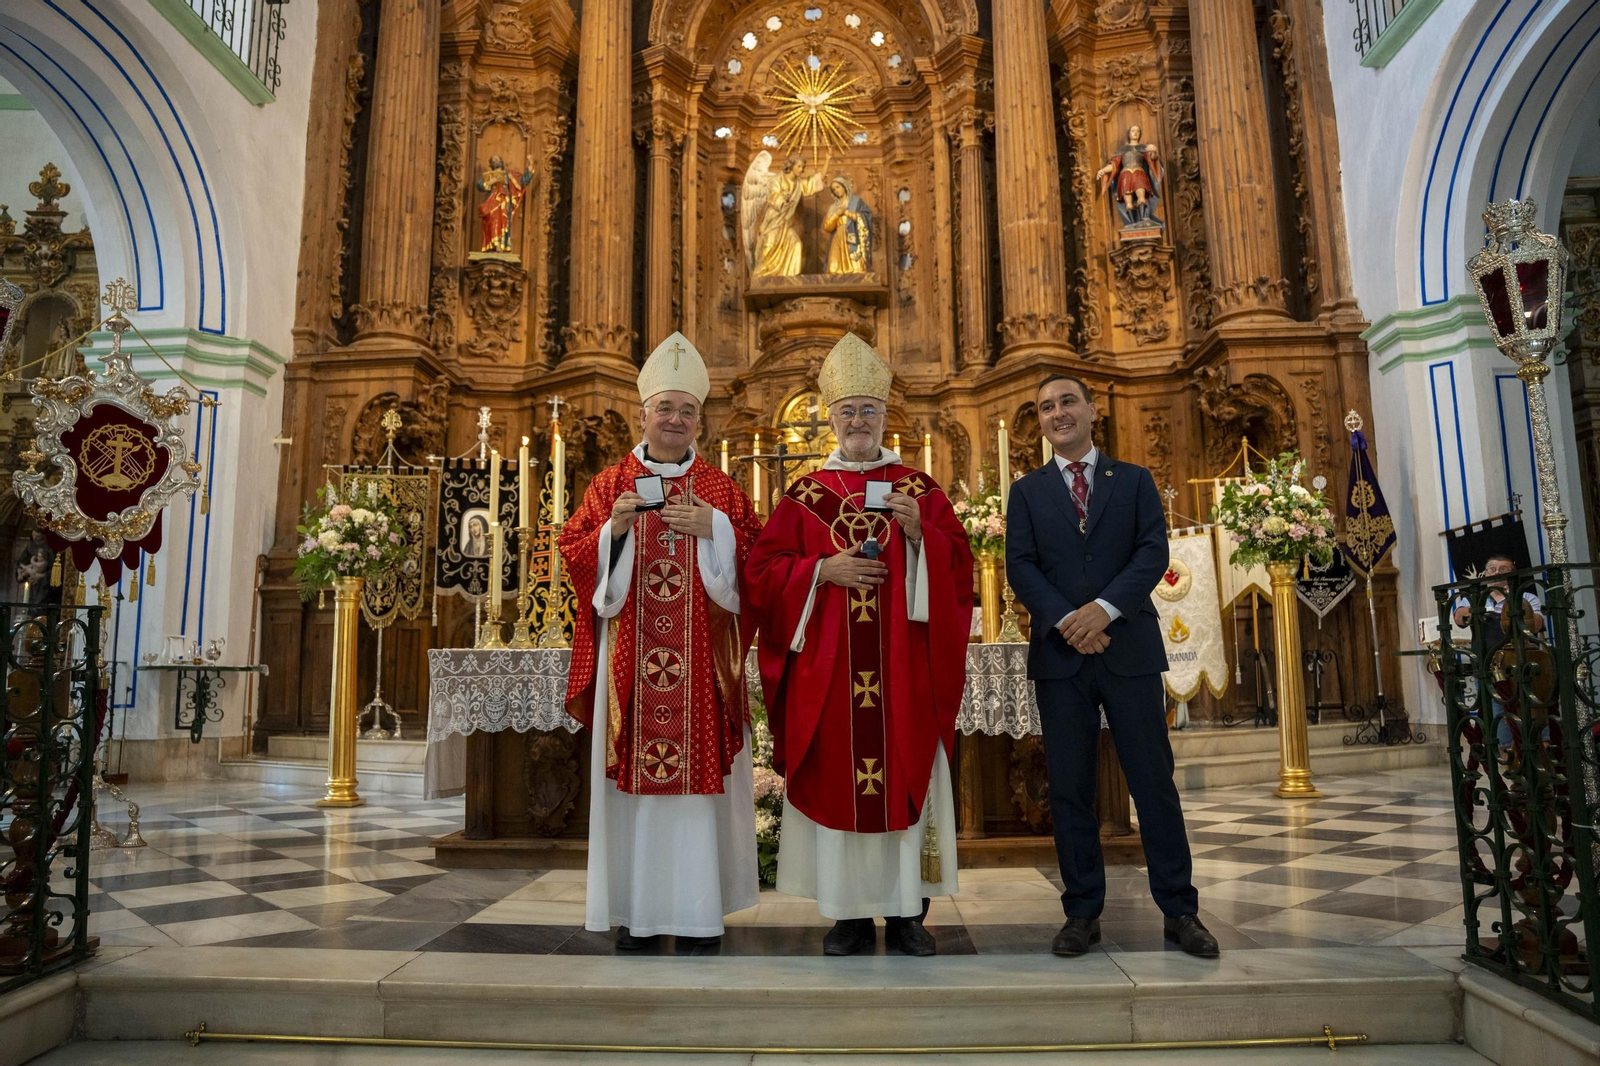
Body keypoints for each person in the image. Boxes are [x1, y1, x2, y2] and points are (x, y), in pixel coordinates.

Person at [744, 332, 974, 957]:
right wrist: (822, 570)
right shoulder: (805, 494)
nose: (857, 422)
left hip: (904, 674)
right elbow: (762, 574)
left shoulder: (918, 490)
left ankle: (907, 914)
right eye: (847, 411)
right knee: (837, 781)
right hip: (831, 677)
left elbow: (959, 568)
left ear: (884, 414)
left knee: (905, 776)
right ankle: (846, 916)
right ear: (831, 418)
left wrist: (921, 535)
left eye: (868, 410)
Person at [560, 331, 765, 951]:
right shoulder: (610, 485)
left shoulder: (721, 490)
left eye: (688, 411)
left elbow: (760, 563)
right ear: (643, 413)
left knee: (697, 798)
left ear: (700, 421)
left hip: (701, 669)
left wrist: (717, 528)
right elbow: (573, 553)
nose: (675, 419)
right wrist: (614, 532)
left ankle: (700, 918)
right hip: (631, 667)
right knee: (636, 798)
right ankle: (639, 915)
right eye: (665, 408)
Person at [1005, 373, 1217, 959]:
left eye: (1067, 401)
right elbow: (1020, 567)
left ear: (1092, 410)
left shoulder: (1134, 480)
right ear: (1041, 421)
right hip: (1061, 657)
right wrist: (1068, 621)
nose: (1057, 413)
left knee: (1152, 782)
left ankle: (1180, 911)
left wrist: (1102, 610)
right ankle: (1081, 912)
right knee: (1070, 789)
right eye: (1046, 407)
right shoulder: (1026, 492)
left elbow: (1152, 551)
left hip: (1128, 649)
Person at [1451, 552, 1545, 755]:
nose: (1497, 572)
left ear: (1512, 573)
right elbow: (1459, 617)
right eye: (1492, 569)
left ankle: (1538, 754)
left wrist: (1514, 605)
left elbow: (1536, 624)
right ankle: (1508, 756)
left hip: (1521, 662)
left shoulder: (1526, 597)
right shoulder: (1473, 598)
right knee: (1496, 711)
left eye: (1503, 569)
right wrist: (1478, 609)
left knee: (1530, 706)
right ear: (1484, 574)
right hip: (1487, 664)